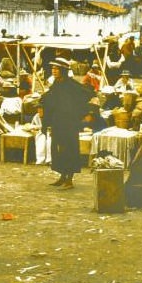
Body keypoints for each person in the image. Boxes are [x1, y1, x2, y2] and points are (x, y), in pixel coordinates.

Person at [41, 58, 91, 190]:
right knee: (58, 149)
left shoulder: (72, 85)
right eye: (52, 69)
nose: (54, 71)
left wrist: (78, 115)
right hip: (58, 122)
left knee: (69, 149)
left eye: (56, 69)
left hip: (69, 123)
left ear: (63, 71)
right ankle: (62, 176)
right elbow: (51, 100)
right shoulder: (56, 84)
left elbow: (86, 95)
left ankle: (69, 180)